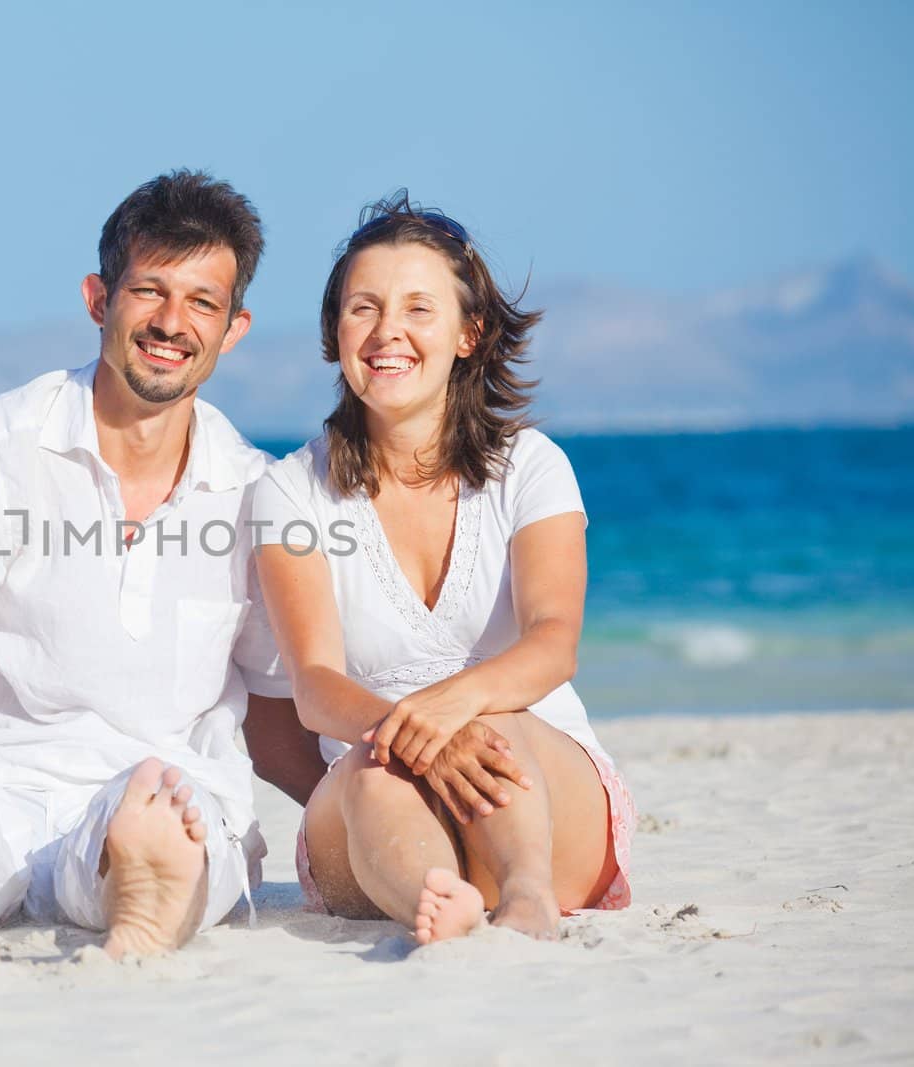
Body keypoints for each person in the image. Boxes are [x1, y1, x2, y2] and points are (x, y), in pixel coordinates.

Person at [0, 170, 309, 976]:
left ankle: (140, 914)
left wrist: (350, 812)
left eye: (201, 302)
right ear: (97, 298)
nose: (171, 323)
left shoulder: (259, 490)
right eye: (148, 291)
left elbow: (272, 713)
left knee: (166, 817)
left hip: (153, 794)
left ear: (234, 327)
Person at [251, 191, 635, 944]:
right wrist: (411, 734)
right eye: (364, 307)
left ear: (470, 332)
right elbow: (316, 686)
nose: (387, 330)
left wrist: (451, 711)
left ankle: (527, 900)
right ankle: (438, 904)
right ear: (335, 331)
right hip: (379, 825)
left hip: (544, 801)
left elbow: (553, 642)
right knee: (369, 769)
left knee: (497, 719)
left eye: (418, 309)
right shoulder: (288, 491)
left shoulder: (532, 467)